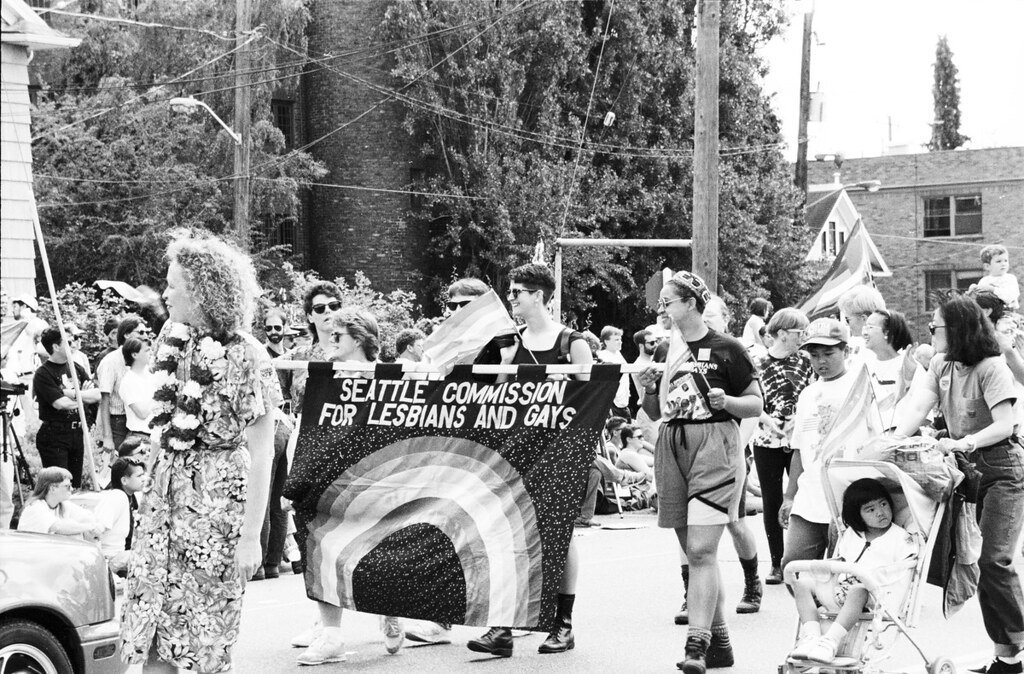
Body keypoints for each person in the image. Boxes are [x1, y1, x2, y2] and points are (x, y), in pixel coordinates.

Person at [120, 233, 280, 674]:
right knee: (150, 630)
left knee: (201, 641)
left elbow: (263, 453)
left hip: (215, 513)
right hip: (164, 505)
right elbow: (164, 421)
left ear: (203, 290)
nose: (165, 293)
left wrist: (251, 536)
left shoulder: (248, 354)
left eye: (173, 285)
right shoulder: (174, 339)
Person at [637, 271, 763, 672]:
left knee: (702, 550)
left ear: (690, 303)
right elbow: (656, 412)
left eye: (668, 303)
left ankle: (696, 644)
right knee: (693, 550)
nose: (662, 310)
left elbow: (756, 404)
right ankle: (720, 641)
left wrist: (727, 400)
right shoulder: (665, 350)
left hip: (714, 446)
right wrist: (648, 388)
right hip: (672, 444)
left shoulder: (728, 348)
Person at [467, 263, 593, 658]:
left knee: (562, 536)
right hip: (518, 454)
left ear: (539, 295)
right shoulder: (512, 343)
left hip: (562, 454)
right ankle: (502, 627)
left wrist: (562, 387)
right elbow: (497, 401)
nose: (512, 298)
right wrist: (505, 369)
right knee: (508, 533)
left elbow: (589, 402)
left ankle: (563, 624)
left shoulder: (572, 342)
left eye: (518, 291)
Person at [894, 293, 1023, 674]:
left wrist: (965, 441)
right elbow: (919, 407)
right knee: (977, 566)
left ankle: (1016, 642)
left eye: (936, 327)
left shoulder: (991, 368)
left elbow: (1005, 425)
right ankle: (1008, 658)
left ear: (959, 330)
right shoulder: (940, 364)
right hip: (966, 471)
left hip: (1002, 469)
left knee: (993, 559)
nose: (930, 332)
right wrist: (893, 441)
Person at [290, 307, 406, 665]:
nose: (329, 340)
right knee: (322, 549)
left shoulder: (390, 377)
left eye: (337, 335)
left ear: (358, 338)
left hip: (376, 480)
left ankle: (389, 612)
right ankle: (331, 636)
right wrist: (293, 481)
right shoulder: (324, 376)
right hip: (328, 481)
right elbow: (305, 426)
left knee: (378, 552)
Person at [780, 318, 883, 573]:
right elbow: (798, 450)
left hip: (848, 495)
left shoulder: (863, 387)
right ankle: (811, 613)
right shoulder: (807, 395)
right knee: (793, 565)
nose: (821, 362)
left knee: (842, 573)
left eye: (829, 353)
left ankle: (834, 614)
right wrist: (789, 496)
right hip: (810, 496)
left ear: (845, 351)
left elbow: (881, 441)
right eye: (814, 355)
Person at [787, 478, 918, 663]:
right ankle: (811, 636)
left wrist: (866, 578)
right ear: (858, 516)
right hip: (843, 588)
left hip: (878, 593)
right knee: (801, 583)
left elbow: (904, 566)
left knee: (858, 589)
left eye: (884, 504)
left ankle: (830, 641)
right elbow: (842, 560)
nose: (881, 512)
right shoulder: (852, 535)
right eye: (870, 510)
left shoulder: (901, 538)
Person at [751, 307, 813, 585]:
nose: (804, 337)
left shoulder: (806, 362)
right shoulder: (757, 362)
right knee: (771, 499)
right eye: (800, 332)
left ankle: (800, 558)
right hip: (767, 440)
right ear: (783, 333)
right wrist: (765, 419)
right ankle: (776, 562)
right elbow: (751, 399)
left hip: (800, 440)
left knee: (803, 496)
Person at [33, 327, 101, 488]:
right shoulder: (43, 373)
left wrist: (70, 393)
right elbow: (60, 404)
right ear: (56, 347)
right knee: (59, 485)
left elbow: (97, 394)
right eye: (69, 342)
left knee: (74, 485)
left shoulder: (75, 367)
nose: (75, 345)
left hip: (76, 433)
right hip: (54, 436)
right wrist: (84, 396)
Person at [97, 315, 152, 453]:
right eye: (140, 332)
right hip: (118, 423)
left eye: (146, 332)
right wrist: (107, 437)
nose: (145, 336)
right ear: (126, 334)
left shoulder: (143, 359)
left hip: (137, 424)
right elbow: (104, 401)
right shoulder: (110, 362)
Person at [861, 309, 916, 428]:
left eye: (870, 327)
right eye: (864, 327)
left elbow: (922, 413)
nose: (864, 333)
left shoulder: (909, 365)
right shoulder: (865, 366)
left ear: (886, 332)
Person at [94, 457, 147, 574]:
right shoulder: (117, 496)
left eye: (143, 475)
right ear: (124, 480)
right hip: (109, 558)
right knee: (149, 558)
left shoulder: (132, 497)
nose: (144, 479)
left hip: (122, 555)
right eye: (139, 476)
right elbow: (96, 531)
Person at [17, 466, 103, 538]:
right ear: (52, 488)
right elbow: (58, 527)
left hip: (46, 552)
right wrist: (90, 527)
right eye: (67, 486)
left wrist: (94, 526)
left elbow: (88, 516)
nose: (72, 489)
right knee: (75, 533)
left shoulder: (62, 505)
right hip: (30, 553)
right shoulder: (35, 507)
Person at [118, 337, 155, 443]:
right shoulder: (128, 381)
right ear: (134, 355)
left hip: (156, 437)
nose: (151, 353)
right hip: (140, 438)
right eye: (147, 350)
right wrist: (161, 394)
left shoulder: (152, 376)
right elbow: (142, 413)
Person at [837, 286, 886, 364]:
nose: (847, 324)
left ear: (864, 319)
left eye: (848, 319)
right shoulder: (854, 342)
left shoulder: (878, 351)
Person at [262, 308, 294, 412]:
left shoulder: (292, 355)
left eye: (277, 327)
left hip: (292, 411)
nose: (273, 332)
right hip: (271, 411)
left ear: (285, 327)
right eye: (269, 328)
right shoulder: (261, 354)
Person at [597, 326, 631, 419]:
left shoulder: (618, 354)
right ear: (606, 341)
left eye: (620, 339)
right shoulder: (603, 356)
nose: (620, 342)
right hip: (611, 404)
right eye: (616, 339)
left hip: (623, 403)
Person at [977, 244, 1020, 310]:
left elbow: (1010, 297)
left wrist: (992, 289)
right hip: (990, 313)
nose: (1003, 264)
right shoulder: (984, 281)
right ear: (987, 266)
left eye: (1006, 260)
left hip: (1008, 313)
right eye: (998, 261)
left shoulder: (1010, 279)